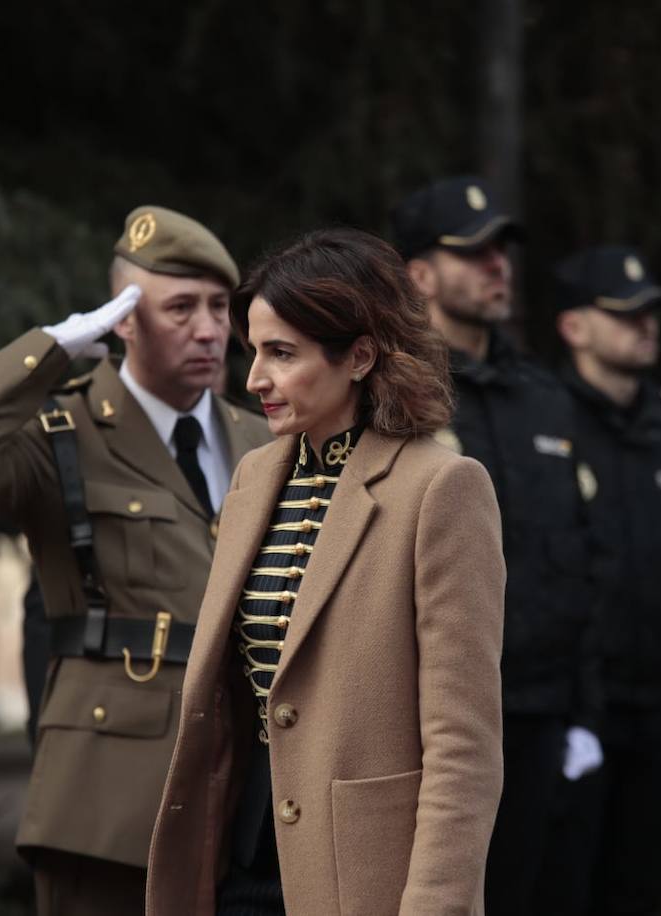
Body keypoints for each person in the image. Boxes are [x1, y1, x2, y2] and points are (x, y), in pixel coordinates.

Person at [0, 206, 273, 916]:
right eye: (179, 309)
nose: (208, 330)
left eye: (217, 308)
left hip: (246, 786)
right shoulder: (62, 433)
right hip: (111, 786)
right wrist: (53, 348)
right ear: (125, 321)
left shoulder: (261, 436)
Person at [144, 227, 505, 915]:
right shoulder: (254, 477)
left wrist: (435, 904)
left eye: (282, 354)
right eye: (253, 352)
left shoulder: (442, 487)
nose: (254, 380)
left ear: (360, 356)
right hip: (239, 859)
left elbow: (465, 747)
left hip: (365, 877)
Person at [391, 176, 601, 915]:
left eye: (501, 251)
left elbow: (579, 551)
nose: (497, 265)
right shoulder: (397, 391)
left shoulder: (544, 394)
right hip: (435, 720)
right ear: (420, 274)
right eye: (473, 252)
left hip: (542, 711)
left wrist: (584, 707)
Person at [540, 246, 661, 913]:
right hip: (575, 708)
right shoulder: (544, 423)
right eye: (625, 314)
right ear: (574, 327)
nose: (646, 326)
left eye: (652, 313)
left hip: (658, 707)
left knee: (642, 888)